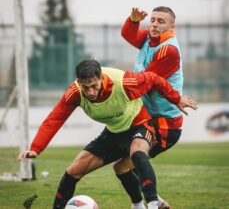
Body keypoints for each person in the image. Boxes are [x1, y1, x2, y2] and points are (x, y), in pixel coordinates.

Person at [18, 59, 197, 209]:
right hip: (113, 133)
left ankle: (151, 204)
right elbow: (54, 119)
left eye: (94, 86)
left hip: (140, 124)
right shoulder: (74, 92)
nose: (90, 92)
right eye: (85, 87)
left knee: (137, 153)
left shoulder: (124, 82)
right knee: (73, 171)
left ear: (102, 78)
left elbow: (154, 79)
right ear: (78, 81)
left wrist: (176, 98)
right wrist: (36, 148)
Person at [113, 6, 189, 209]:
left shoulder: (169, 50)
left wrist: (117, 84)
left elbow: (146, 81)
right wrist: (133, 20)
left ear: (172, 27)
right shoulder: (150, 38)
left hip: (165, 124)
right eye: (153, 20)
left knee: (130, 160)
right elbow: (128, 34)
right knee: (123, 164)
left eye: (161, 21)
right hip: (147, 118)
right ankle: (156, 203)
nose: (154, 24)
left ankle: (151, 203)